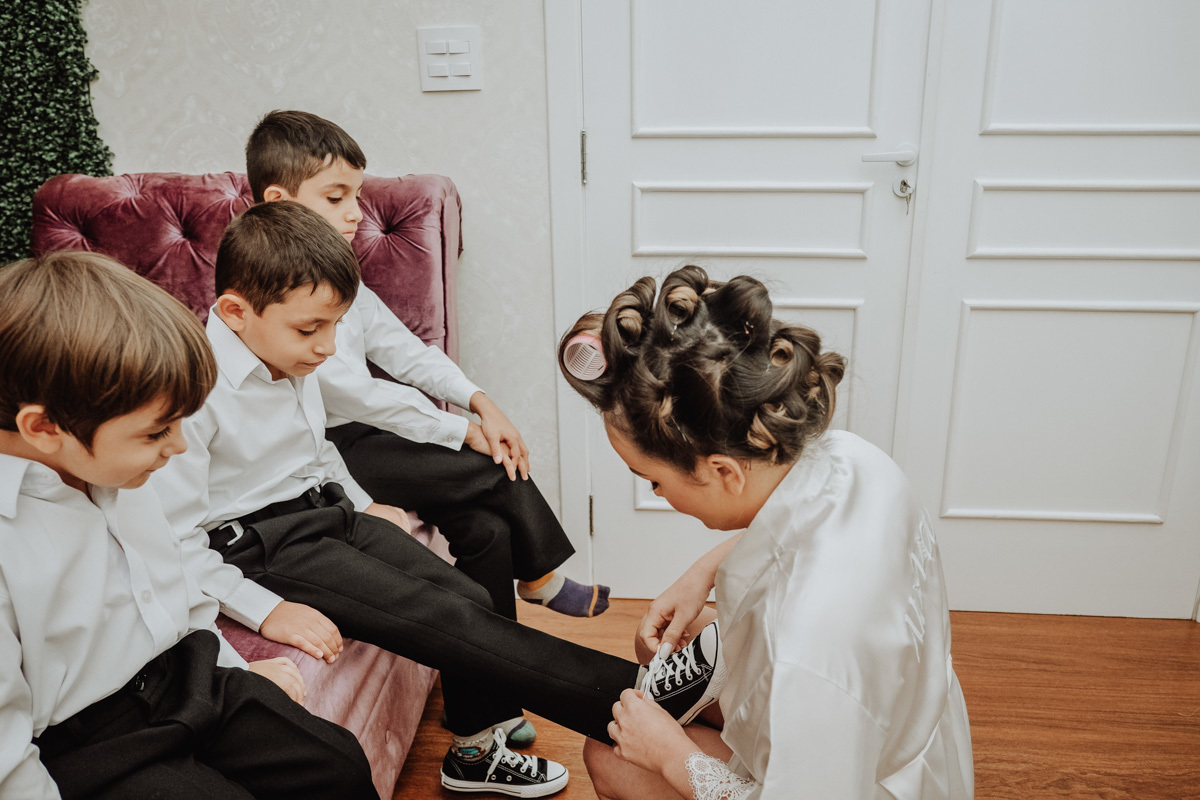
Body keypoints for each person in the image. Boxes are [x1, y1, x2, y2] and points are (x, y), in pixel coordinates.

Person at [149, 201, 727, 797]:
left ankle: (473, 754)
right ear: (235, 312)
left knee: (469, 595)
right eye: (311, 330)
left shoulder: (288, 353)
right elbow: (175, 541)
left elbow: (313, 449)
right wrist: (263, 609)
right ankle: (640, 695)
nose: (327, 347)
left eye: (335, 328)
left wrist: (358, 501)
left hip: (326, 512)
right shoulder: (193, 391)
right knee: (446, 618)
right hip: (262, 546)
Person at [559, 266, 974, 800]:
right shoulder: (852, 457)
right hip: (897, 712)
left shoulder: (810, 645)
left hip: (847, 778)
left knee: (609, 755)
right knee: (693, 636)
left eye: (654, 481)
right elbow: (811, 528)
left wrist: (670, 755)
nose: (657, 495)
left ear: (724, 472)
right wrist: (703, 572)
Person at [0, 252, 377, 800]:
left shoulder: (118, 470)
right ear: (43, 427)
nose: (178, 446)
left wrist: (233, 671)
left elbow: (172, 581)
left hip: (184, 677)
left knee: (337, 765)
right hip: (87, 739)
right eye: (157, 432)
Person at [244, 109, 609, 631]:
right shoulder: (268, 293)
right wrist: (461, 430)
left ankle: (487, 684)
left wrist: (479, 401)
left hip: (368, 437)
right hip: (322, 453)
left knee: (486, 529)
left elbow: (406, 351)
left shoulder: (344, 279)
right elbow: (352, 393)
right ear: (278, 201)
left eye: (356, 196)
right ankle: (541, 577)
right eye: (335, 198)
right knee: (490, 465)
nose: (355, 214)